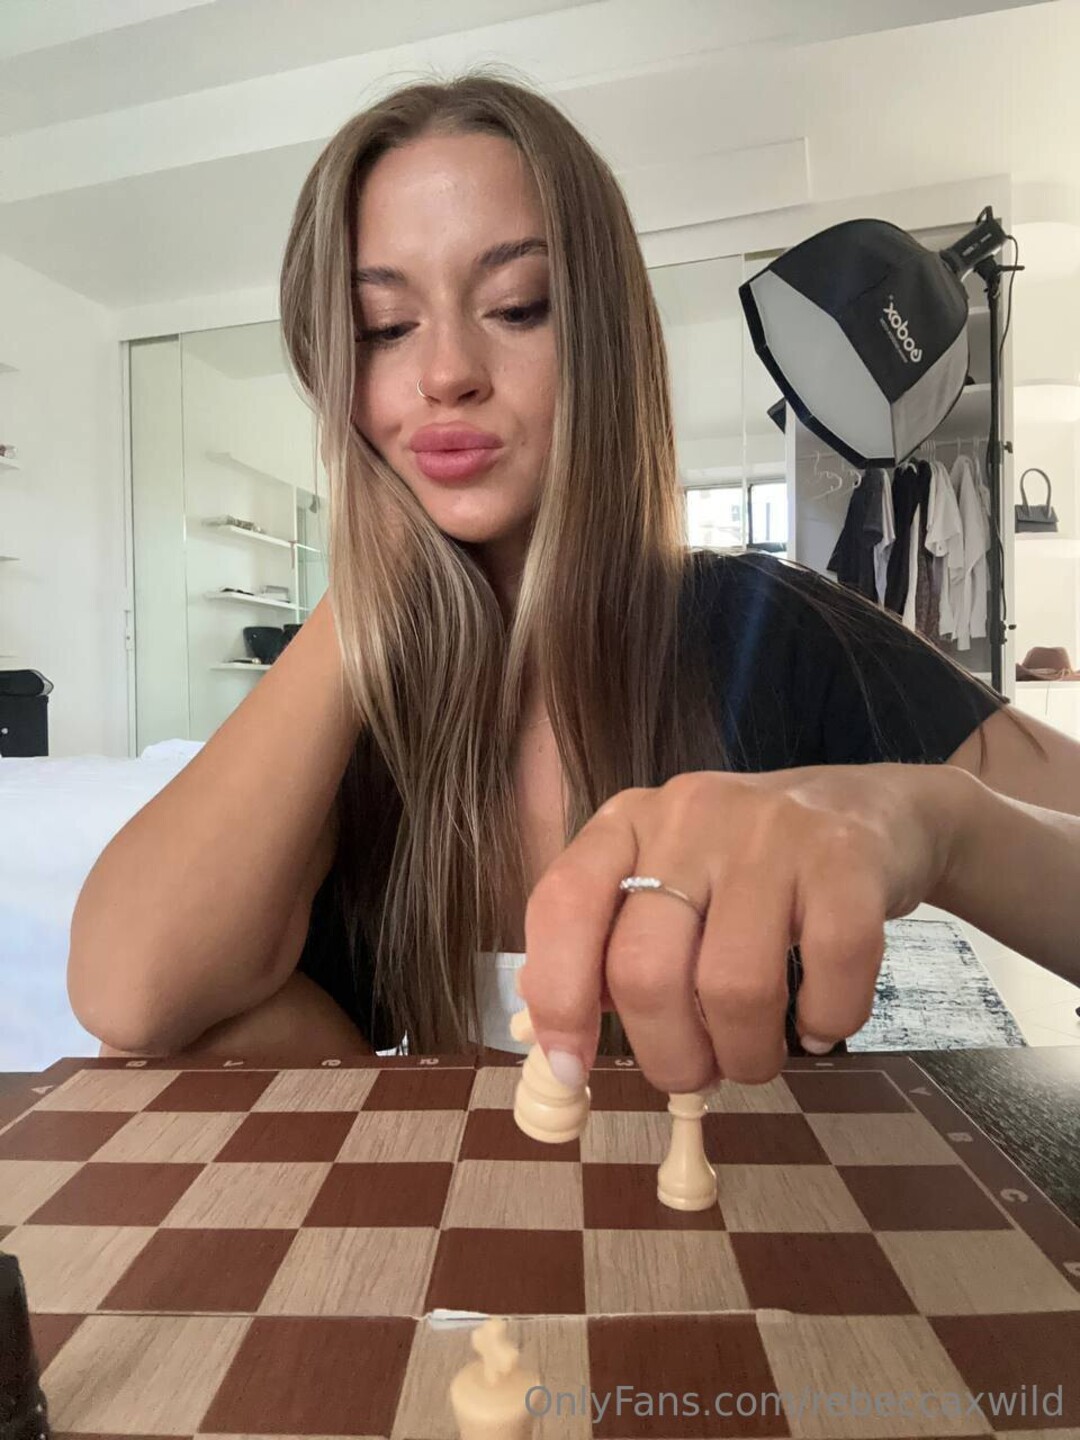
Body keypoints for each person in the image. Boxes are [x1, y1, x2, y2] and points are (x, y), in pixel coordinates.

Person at [69, 70, 1080, 1096]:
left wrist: (943, 823)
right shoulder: (352, 712)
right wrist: (370, 583)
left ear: (603, 338)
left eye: (519, 307)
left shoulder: (765, 634)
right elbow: (129, 1002)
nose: (445, 372)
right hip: (437, 1184)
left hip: (735, 1189)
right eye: (381, 327)